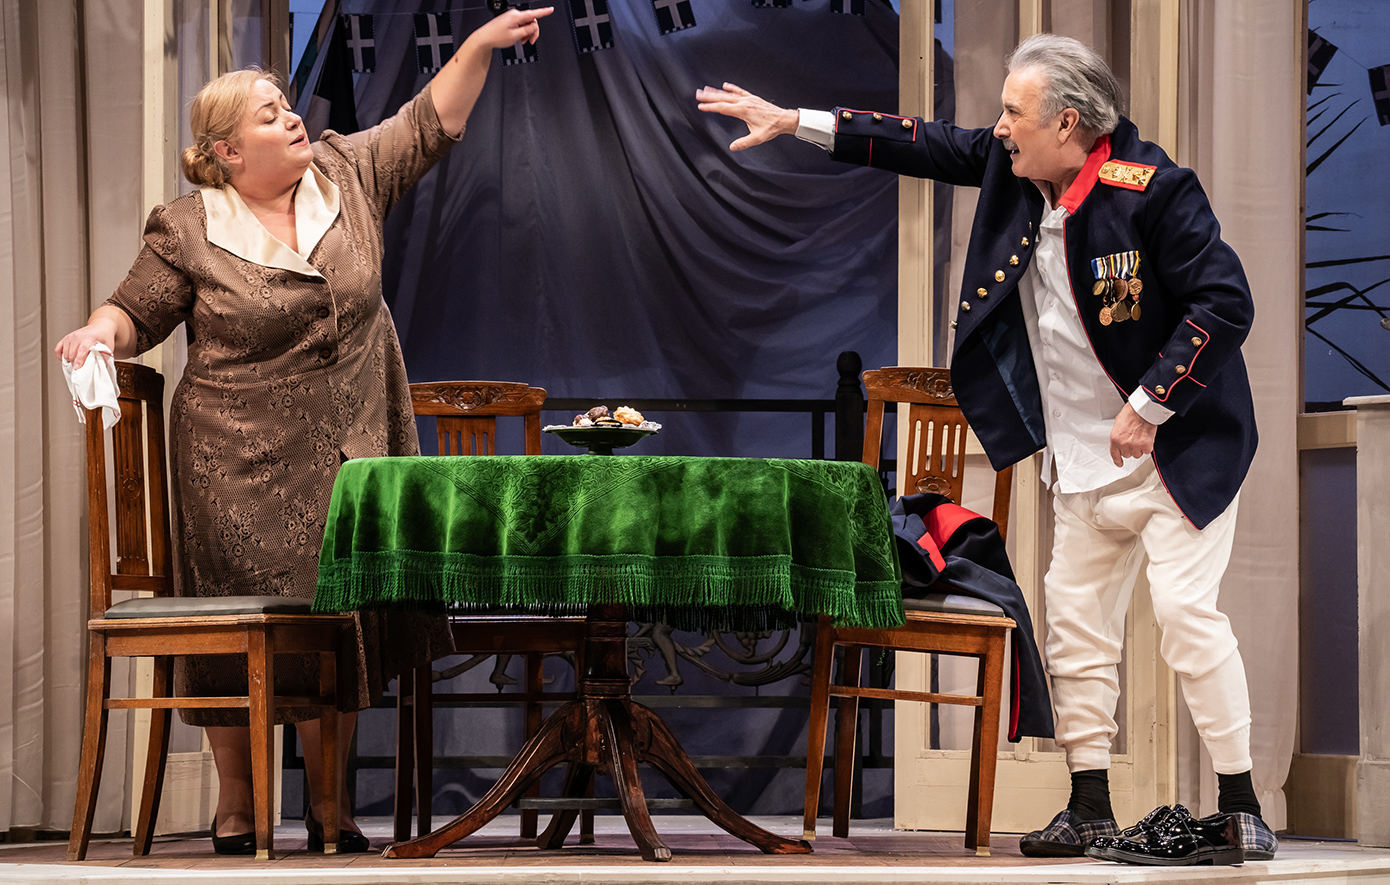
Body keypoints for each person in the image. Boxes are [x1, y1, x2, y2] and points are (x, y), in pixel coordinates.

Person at [696, 33, 1276, 866]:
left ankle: (1242, 803)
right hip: (1080, 461)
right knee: (1075, 629)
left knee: (1187, 617)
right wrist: (793, 121)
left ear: (1067, 122)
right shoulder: (1016, 167)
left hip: (1176, 452)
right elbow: (918, 142)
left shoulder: (1154, 190)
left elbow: (1225, 303)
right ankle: (1089, 804)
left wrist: (1150, 403)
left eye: (1013, 111)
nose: (998, 128)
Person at [55, 6, 555, 855]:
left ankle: (330, 802)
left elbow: (430, 121)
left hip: (347, 453)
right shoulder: (188, 226)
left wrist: (477, 44)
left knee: (338, 616)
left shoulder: (344, 174)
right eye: (269, 115)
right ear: (227, 152)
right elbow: (135, 309)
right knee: (235, 622)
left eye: (287, 106)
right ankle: (237, 800)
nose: (292, 118)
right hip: (233, 462)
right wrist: (99, 332)